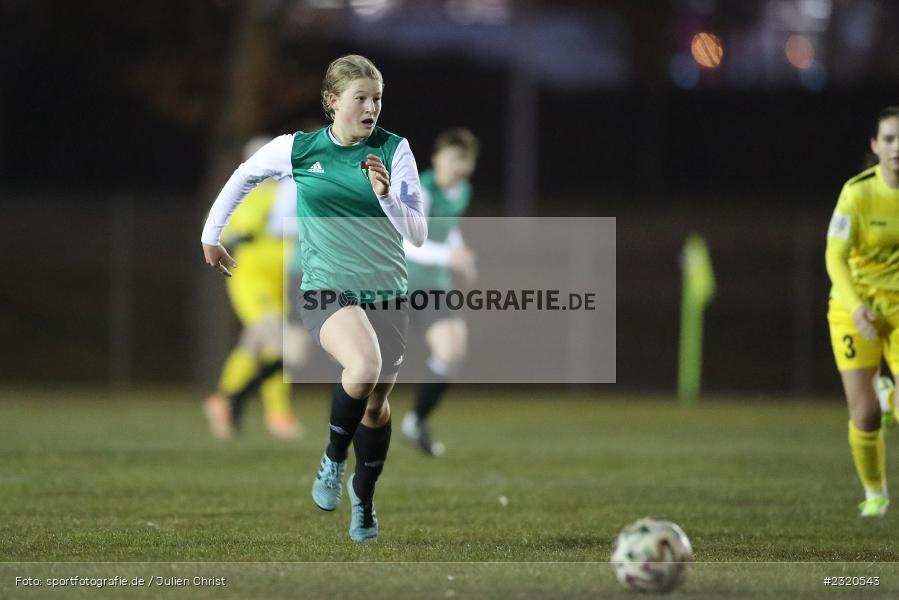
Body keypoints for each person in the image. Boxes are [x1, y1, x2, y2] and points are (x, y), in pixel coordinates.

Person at [201, 54, 426, 541]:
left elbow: (420, 234)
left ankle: (363, 501)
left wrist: (387, 195)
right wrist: (211, 234)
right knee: (361, 368)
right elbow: (244, 175)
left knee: (375, 408)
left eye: (377, 99)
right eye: (360, 99)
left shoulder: (395, 149)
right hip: (326, 288)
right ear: (332, 102)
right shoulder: (298, 149)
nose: (371, 109)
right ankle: (331, 459)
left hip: (387, 293)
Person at [204, 138, 305, 440]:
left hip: (280, 281)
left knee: (253, 347)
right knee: (281, 344)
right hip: (251, 279)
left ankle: (223, 400)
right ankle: (276, 413)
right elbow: (226, 232)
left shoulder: (286, 191)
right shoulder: (243, 196)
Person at [825, 106, 899, 518]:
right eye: (889, 138)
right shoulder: (857, 192)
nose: (897, 147)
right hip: (856, 310)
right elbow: (835, 258)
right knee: (866, 414)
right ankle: (876, 495)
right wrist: (856, 308)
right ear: (876, 145)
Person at [400, 128, 479, 456]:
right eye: (453, 159)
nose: (458, 167)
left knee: (452, 347)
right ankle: (346, 429)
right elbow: (407, 243)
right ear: (436, 159)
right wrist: (451, 257)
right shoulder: (421, 190)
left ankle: (415, 421)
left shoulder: (461, 190)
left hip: (432, 285)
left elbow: (449, 229)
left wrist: (461, 251)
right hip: (397, 283)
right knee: (367, 363)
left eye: (465, 161)